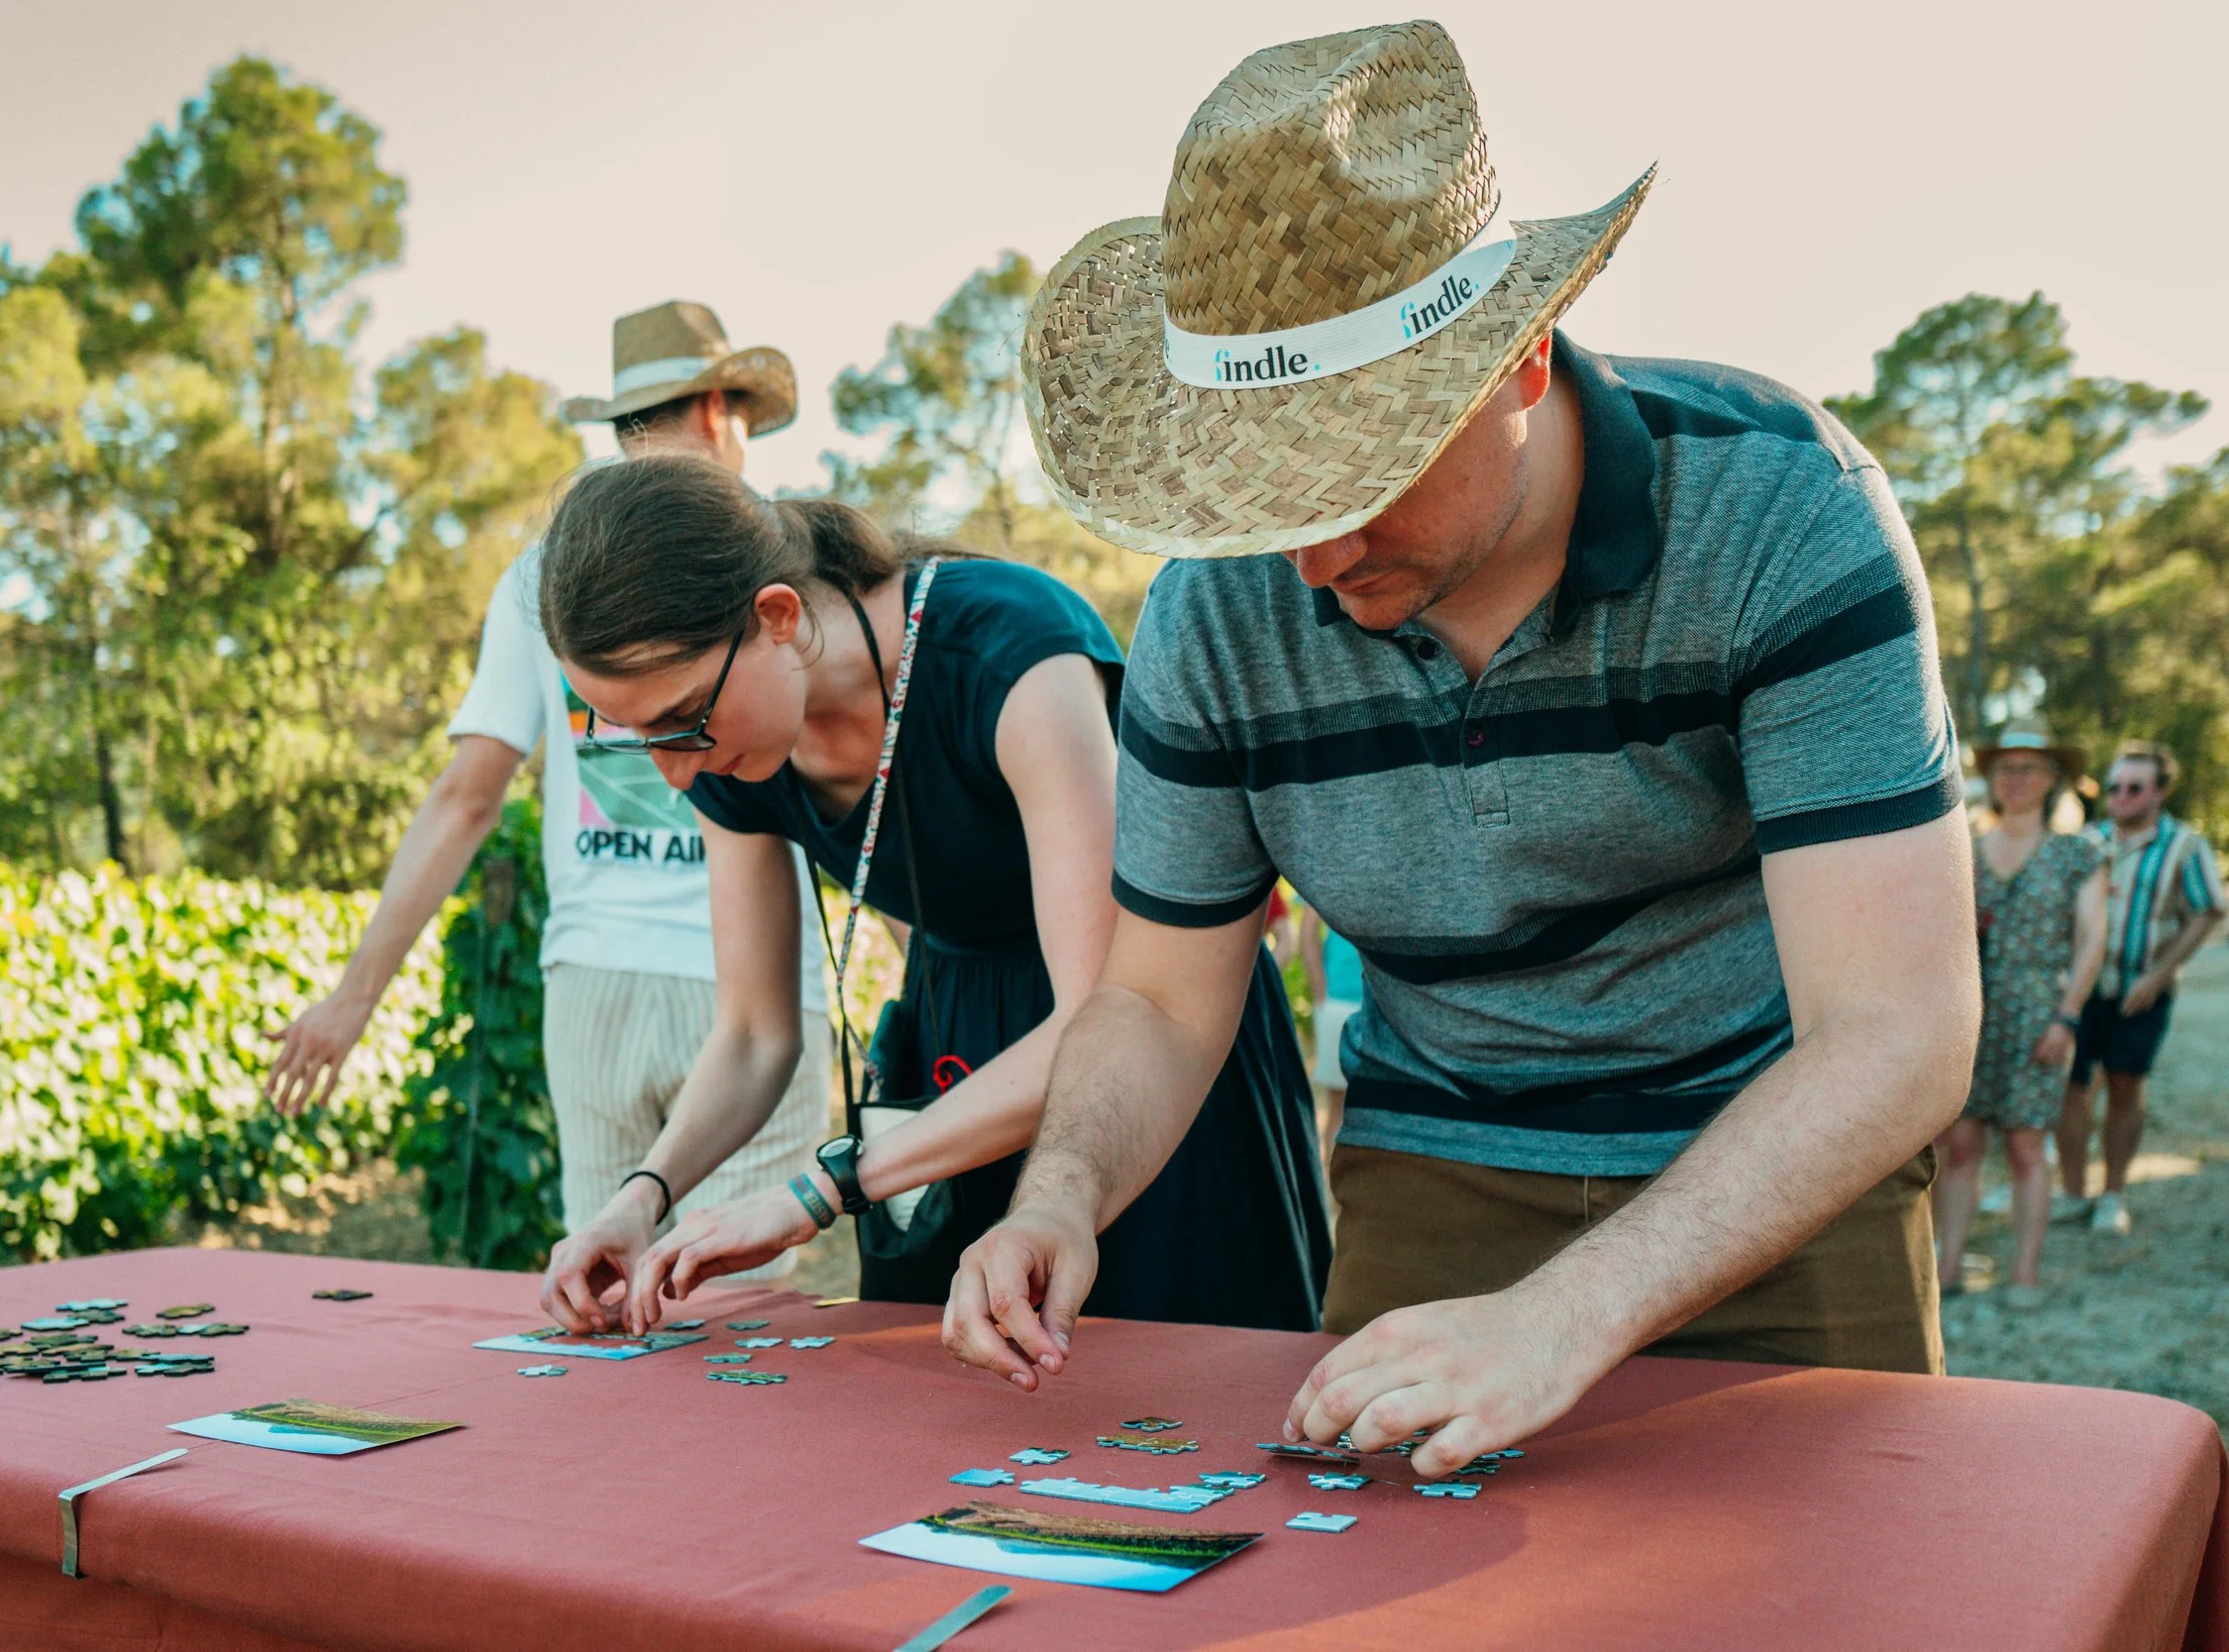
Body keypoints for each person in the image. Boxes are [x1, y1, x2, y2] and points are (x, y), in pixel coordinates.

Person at [944, 21, 1979, 1478]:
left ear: (1520, 360)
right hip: (1432, 1167)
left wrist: (1568, 1315)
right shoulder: (1213, 611)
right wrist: (1061, 1192)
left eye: (1363, 471)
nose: (1314, 553)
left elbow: (1898, 1033)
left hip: (1772, 1173)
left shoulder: (1785, 515)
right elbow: (1165, 1002)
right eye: (1264, 486)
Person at [530, 455, 1328, 1334]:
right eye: (638, 737)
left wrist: (825, 1187)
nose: (677, 773)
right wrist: (642, 1196)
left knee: (1172, 1399)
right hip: (953, 1065)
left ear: (777, 616)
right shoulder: (727, 752)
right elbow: (755, 1034)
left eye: (682, 717)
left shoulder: (1010, 649)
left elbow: (1104, 1009)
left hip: (1146, 1055)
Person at [265, 301, 833, 1267]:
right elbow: (863, 781)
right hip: (762, 987)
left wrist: (354, 996)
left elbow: (467, 796)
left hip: (592, 987)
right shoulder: (789, 564)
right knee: (745, 1322)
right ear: (712, 408)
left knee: (604, 1293)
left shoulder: (542, 576)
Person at [1934, 724, 2108, 1307]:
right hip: (1971, 1011)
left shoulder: (2078, 853)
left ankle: (2024, 1274)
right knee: (1959, 1146)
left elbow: (2091, 941)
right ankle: (1948, 1269)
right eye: (2005, 768)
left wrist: (2068, 1017)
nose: (2015, 779)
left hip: (2039, 1010)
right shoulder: (1963, 847)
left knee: (2026, 1148)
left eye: (2028, 768)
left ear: (2052, 778)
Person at [2054, 742, 2227, 1238]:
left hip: (2141, 989)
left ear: (2160, 792)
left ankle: (2113, 1195)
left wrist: (2160, 974)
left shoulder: (2184, 845)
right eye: (2114, 787)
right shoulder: (2087, 841)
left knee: (2126, 1086)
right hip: (2080, 988)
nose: (2121, 796)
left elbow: (2209, 910)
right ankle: (2072, 1192)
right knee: (2069, 1088)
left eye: (2134, 788)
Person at [1298, 906, 1362, 1158]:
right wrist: (1320, 989)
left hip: (1386, 1002)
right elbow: (1308, 928)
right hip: (1338, 1001)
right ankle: (1334, 1195)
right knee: (1338, 1103)